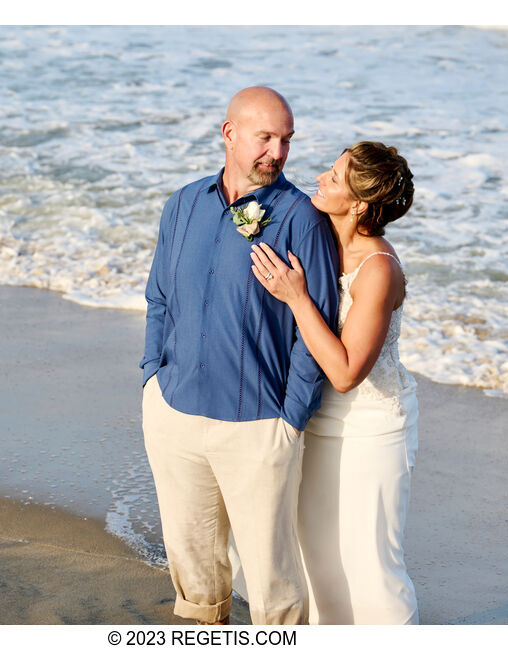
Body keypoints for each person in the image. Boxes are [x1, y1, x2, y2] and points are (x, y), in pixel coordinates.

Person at [139, 86, 340, 625]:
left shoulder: (301, 218)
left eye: (287, 140)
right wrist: (151, 379)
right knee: (193, 571)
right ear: (229, 135)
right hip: (174, 410)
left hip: (258, 425)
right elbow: (159, 297)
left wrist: (291, 417)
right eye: (265, 137)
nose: (277, 152)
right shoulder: (182, 205)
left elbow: (316, 325)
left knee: (273, 584)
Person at [247, 141, 420, 624]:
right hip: (313, 417)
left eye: (335, 176)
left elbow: (346, 373)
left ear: (360, 204)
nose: (321, 177)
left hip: (371, 429)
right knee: (313, 557)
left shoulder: (378, 269)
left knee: (369, 566)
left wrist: (297, 298)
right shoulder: (316, 233)